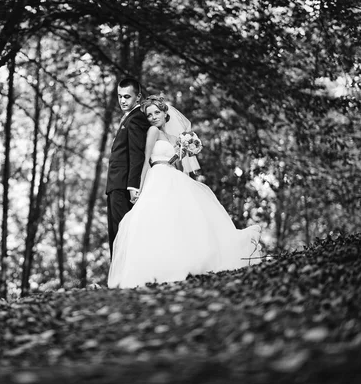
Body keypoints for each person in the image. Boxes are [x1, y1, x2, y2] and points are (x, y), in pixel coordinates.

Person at [107, 95, 262, 288]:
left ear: (165, 113)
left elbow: (178, 166)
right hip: (156, 175)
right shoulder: (152, 132)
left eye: (157, 112)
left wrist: (183, 153)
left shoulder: (175, 138)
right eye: (149, 114)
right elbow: (146, 160)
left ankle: (187, 260)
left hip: (173, 176)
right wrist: (139, 186)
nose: (153, 117)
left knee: (182, 217)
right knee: (156, 218)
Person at [105, 78, 150, 259]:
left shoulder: (136, 118)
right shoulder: (129, 117)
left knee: (121, 231)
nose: (122, 100)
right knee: (116, 232)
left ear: (138, 97)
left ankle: (124, 276)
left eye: (127, 96)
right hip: (116, 183)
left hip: (123, 185)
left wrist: (133, 186)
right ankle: (118, 276)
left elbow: (136, 153)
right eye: (119, 96)